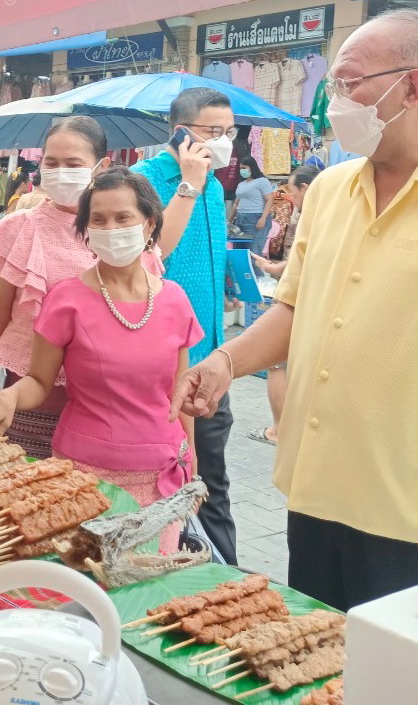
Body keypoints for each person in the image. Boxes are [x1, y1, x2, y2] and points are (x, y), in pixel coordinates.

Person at [173, 9, 418, 610]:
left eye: (350, 82)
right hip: (315, 494)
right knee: (319, 669)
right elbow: (294, 309)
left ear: (412, 86)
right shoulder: (330, 188)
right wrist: (225, 362)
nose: (336, 100)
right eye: (332, 83)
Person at [0, 168, 200, 552]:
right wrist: (9, 396)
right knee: (87, 584)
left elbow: (181, 396)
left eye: (123, 218)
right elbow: (40, 382)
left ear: (149, 225)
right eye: (98, 220)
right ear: (87, 230)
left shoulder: (175, 299)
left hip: (162, 475)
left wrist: (193, 461)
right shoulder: (66, 299)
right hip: (84, 476)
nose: (111, 228)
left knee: (149, 589)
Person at [0, 116, 163, 459]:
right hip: (27, 397)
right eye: (51, 163)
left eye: (73, 164)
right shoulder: (19, 228)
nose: (60, 172)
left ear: (100, 167)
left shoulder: (122, 235)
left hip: (106, 407)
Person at [132, 88, 240, 565]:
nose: (221, 141)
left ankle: (226, 572)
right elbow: (153, 253)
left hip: (211, 355)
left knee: (211, 477)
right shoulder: (143, 180)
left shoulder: (215, 184)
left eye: (229, 132)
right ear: (177, 130)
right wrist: (189, 183)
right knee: (169, 476)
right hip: (163, 360)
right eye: (211, 131)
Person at [247, 164, 321, 445]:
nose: (289, 195)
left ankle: (279, 430)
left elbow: (301, 264)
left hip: (295, 298)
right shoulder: (333, 215)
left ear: (304, 188)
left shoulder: (308, 218)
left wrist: (273, 268)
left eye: (291, 189)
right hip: (314, 299)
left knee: (277, 365)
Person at [229, 156, 276, 255]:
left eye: (244, 168)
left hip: (255, 218)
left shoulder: (262, 181)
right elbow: (236, 204)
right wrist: (229, 221)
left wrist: (263, 218)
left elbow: (270, 199)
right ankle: (242, 271)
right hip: (240, 219)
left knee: (254, 253)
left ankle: (256, 271)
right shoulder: (241, 184)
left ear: (252, 167)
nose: (242, 170)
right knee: (238, 253)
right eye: (241, 168)